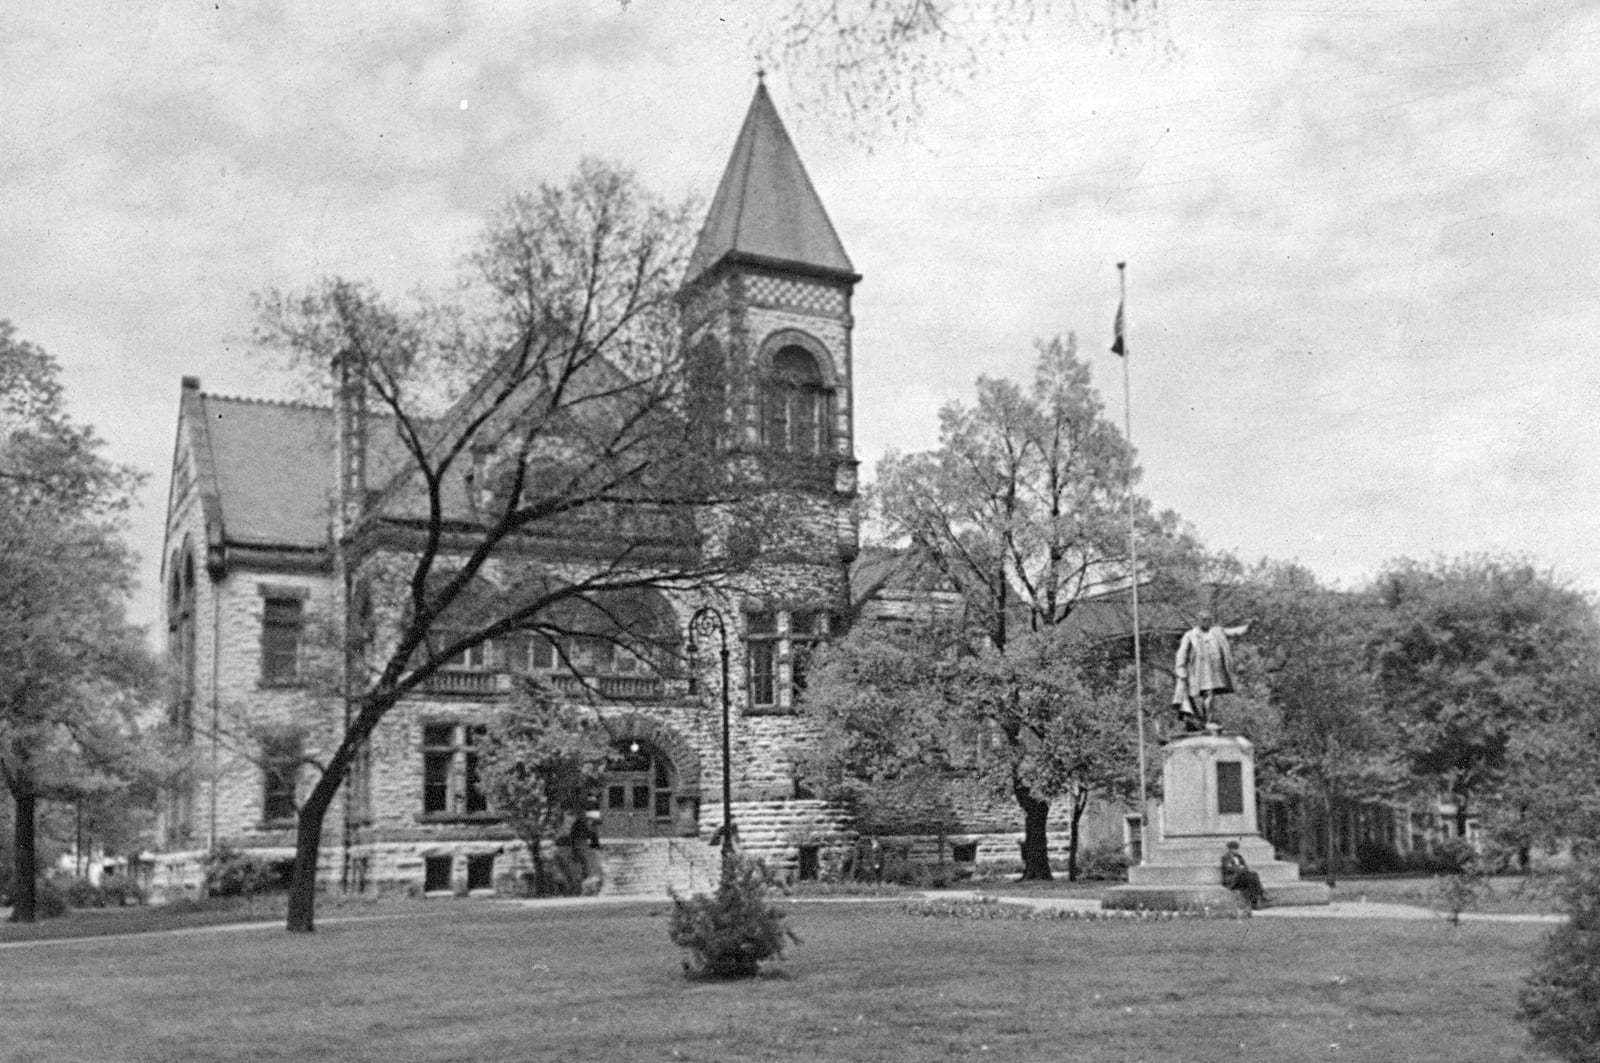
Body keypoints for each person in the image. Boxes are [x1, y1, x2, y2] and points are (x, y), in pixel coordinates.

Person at [1172, 610, 1253, 731]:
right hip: (1199, 671)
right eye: (1204, 620)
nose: (1207, 622)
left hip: (1215, 670)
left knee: (1210, 695)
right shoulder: (1191, 634)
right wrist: (1180, 668)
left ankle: (1206, 720)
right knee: (1208, 694)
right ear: (1199, 621)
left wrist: (1249, 626)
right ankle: (1206, 721)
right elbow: (1181, 653)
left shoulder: (1217, 631)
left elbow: (1234, 632)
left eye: (1209, 620)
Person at [1220, 840, 1266, 909]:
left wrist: (1239, 868)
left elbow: (1246, 867)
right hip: (1233, 879)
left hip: (1242, 877)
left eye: (1236, 848)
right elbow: (1228, 869)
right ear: (1229, 849)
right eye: (1233, 849)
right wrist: (1240, 868)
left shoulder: (1239, 857)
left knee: (1253, 876)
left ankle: (1255, 902)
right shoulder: (1225, 857)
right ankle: (1262, 895)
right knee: (1251, 876)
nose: (1235, 850)